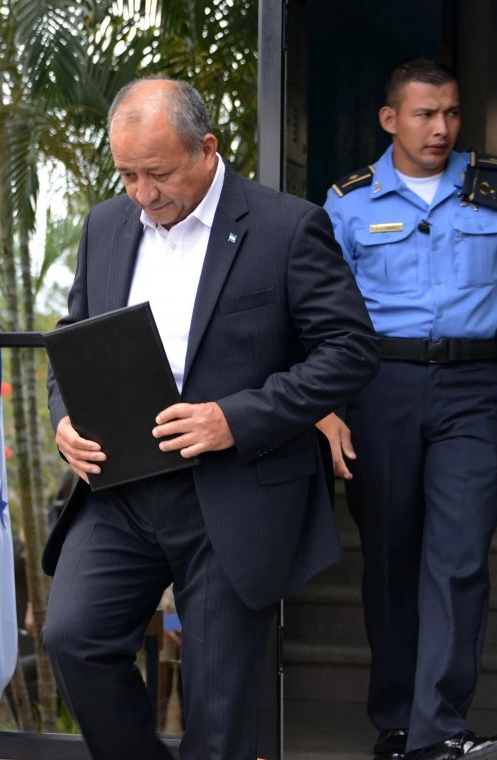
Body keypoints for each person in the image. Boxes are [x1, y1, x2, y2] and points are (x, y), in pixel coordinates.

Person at [41, 77, 380, 760]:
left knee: (218, 707)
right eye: (128, 174)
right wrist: (65, 419)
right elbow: (71, 338)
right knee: (73, 638)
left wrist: (236, 418)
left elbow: (350, 352)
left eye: (157, 174)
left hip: (234, 489)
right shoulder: (106, 226)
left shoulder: (286, 226)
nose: (141, 193)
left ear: (206, 149)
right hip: (120, 488)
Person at [319, 58, 497, 760]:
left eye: (452, 113)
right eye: (426, 114)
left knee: (459, 556)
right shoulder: (349, 202)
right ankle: (399, 721)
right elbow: (322, 315)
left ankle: (441, 730)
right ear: (390, 119)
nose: (442, 128)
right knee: (391, 558)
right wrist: (327, 407)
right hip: (379, 391)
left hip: (471, 392)